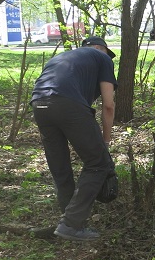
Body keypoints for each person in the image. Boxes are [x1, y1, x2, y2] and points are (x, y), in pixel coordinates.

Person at [30, 36, 117, 241]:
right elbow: (108, 105)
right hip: (66, 103)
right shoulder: (102, 58)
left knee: (60, 168)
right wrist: (105, 141)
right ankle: (71, 223)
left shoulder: (63, 59)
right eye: (107, 52)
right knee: (98, 163)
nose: (108, 57)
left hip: (38, 104)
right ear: (99, 48)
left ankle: (68, 224)